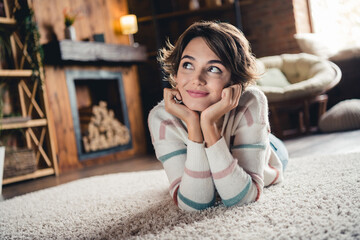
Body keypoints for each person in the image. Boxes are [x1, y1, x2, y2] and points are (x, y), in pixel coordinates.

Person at [148, 21, 288, 211]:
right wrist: (194, 126)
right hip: (234, 141)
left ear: (234, 80)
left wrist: (208, 124)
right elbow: (194, 205)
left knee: (273, 147)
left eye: (213, 68)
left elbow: (242, 198)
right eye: (188, 65)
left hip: (270, 149)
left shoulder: (251, 101)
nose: (197, 80)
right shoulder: (162, 118)